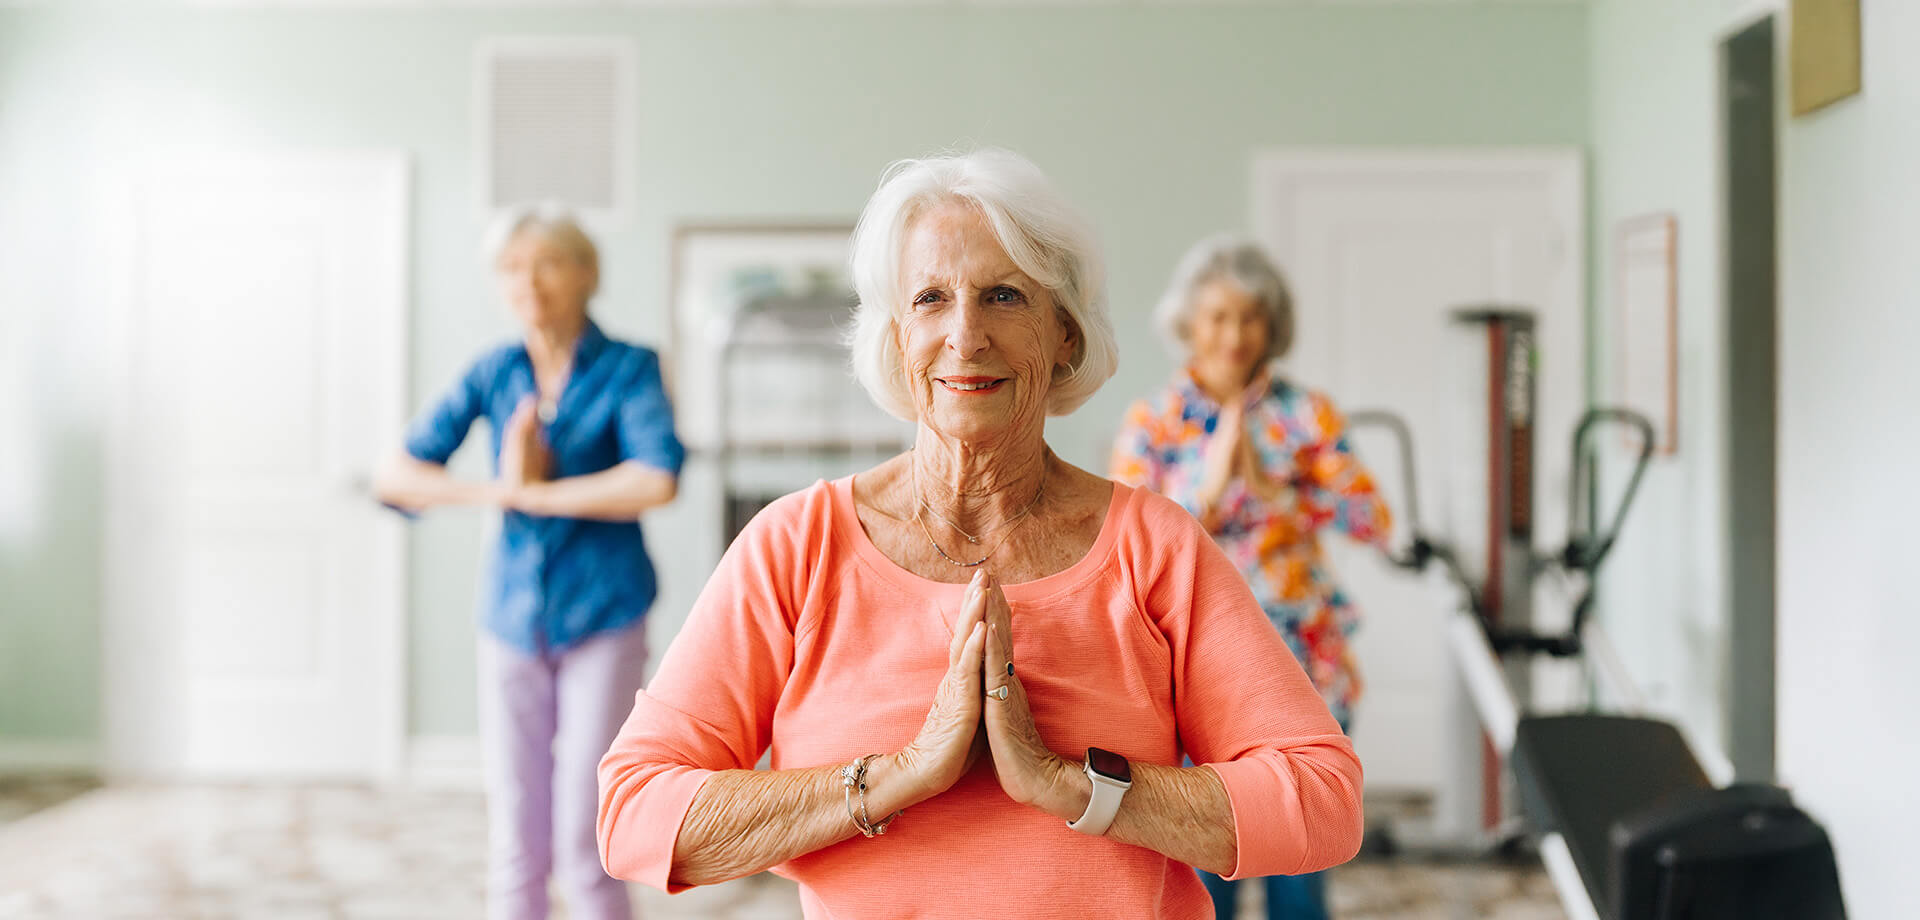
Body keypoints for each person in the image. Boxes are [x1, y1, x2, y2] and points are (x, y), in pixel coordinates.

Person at [597, 150, 1362, 919]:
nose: (966, 336)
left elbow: (1323, 798)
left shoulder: (1157, 548)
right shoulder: (795, 547)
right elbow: (634, 812)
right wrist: (900, 775)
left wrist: (1067, 783)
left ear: (1065, 334)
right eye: (931, 298)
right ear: (897, 338)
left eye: (1004, 296)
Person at [373, 204, 684, 920]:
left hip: (604, 612)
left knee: (587, 833)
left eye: (547, 263)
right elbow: (397, 475)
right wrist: (503, 491)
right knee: (515, 836)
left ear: (587, 274)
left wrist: (540, 495)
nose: (528, 282)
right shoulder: (494, 369)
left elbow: (655, 478)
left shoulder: (629, 367)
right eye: (512, 269)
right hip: (510, 617)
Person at [1110, 236, 1391, 920]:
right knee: (1207, 857)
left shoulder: (1307, 414)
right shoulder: (1155, 421)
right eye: (1218, 318)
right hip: (1188, 664)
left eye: (1251, 318)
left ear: (1273, 324)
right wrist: (1202, 497)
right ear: (1189, 324)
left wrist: (1278, 492)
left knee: (1302, 845)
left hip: (1301, 658)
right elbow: (1121, 544)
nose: (1235, 336)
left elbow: (1371, 519)